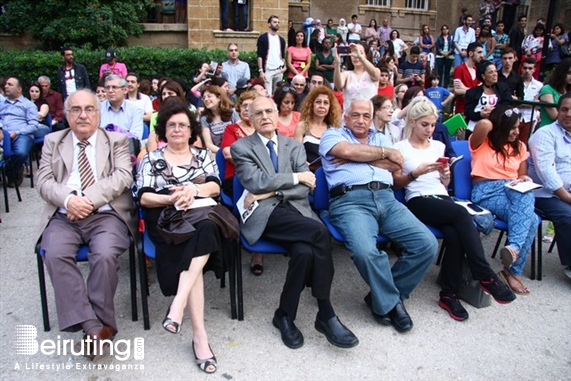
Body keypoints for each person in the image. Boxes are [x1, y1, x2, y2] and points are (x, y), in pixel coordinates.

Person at [231, 96, 359, 350]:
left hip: (297, 211)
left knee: (304, 252)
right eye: (259, 113)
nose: (265, 116)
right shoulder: (241, 147)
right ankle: (325, 311)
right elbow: (255, 183)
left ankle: (284, 315)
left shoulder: (293, 146)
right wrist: (293, 178)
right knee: (320, 231)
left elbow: (306, 187)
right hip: (267, 214)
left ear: (277, 113)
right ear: (251, 118)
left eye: (269, 110)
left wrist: (273, 189)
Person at [319, 98, 438, 333]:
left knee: (427, 244)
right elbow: (347, 150)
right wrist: (383, 154)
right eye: (356, 115)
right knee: (365, 252)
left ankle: (380, 297)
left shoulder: (382, 136)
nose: (361, 120)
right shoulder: (332, 135)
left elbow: (397, 166)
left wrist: (360, 156)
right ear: (346, 116)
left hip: (387, 199)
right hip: (350, 201)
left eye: (366, 115)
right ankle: (393, 304)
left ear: (372, 117)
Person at [392, 97, 515, 321]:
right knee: (461, 214)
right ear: (412, 122)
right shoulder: (400, 148)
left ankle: (448, 294)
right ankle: (484, 273)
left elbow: (444, 184)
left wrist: (445, 176)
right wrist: (416, 173)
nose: (429, 129)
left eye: (432, 124)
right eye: (424, 124)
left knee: (455, 234)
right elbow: (396, 184)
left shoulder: (438, 146)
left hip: (440, 196)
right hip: (418, 199)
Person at [36, 89, 136, 361]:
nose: (83, 115)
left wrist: (87, 201)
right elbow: (43, 181)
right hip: (63, 216)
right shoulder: (52, 141)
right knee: (54, 254)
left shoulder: (116, 140)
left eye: (89, 109)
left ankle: (94, 326)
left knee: (104, 255)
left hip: (106, 215)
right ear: (66, 114)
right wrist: (69, 200)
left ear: (98, 113)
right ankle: (96, 328)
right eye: (76, 109)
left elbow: (123, 176)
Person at [136, 98, 225, 373]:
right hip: (166, 219)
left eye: (183, 125)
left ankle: (178, 306)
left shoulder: (203, 156)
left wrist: (193, 191)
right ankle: (200, 338)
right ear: (163, 129)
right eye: (172, 125)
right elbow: (143, 197)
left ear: (191, 130)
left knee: (208, 228)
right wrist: (172, 198)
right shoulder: (150, 159)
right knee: (199, 242)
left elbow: (215, 186)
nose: (177, 130)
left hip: (199, 213)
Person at [469, 105, 540, 295]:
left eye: (519, 127)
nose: (517, 132)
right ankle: (513, 269)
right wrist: (497, 116)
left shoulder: (520, 147)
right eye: (513, 127)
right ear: (501, 126)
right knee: (530, 219)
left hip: (513, 190)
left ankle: (512, 255)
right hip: (487, 191)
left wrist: (525, 179)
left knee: (531, 214)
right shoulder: (483, 142)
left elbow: (522, 174)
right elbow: (483, 124)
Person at [528, 93, 571, 279]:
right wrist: (569, 198)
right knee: (568, 215)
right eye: (564, 109)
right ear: (557, 111)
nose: (568, 114)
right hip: (544, 195)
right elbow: (547, 175)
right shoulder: (544, 134)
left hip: (567, 192)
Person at [0, 76, 38, 186]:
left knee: (20, 153)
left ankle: (11, 171)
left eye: (10, 84)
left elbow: (33, 125)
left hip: (21, 134)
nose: (6, 86)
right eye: (6, 84)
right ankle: (14, 171)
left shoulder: (28, 105)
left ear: (19, 89)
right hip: (2, 133)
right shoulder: (1, 103)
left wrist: (17, 132)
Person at [294, 85, 341, 170]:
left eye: (326, 103)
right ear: (311, 104)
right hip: (307, 171)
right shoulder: (302, 126)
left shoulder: (334, 129)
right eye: (318, 102)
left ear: (330, 107)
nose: (322, 106)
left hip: (329, 172)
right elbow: (296, 155)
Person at [465, 60, 513, 134]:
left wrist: (495, 110)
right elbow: (468, 112)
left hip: (496, 128)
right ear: (483, 76)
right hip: (475, 128)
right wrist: (480, 114)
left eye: (495, 71)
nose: (495, 74)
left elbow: (508, 104)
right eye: (491, 72)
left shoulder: (503, 88)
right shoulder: (472, 92)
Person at [333, 43, 380, 111]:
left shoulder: (373, 72)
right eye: (353, 53)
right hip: (350, 116)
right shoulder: (346, 74)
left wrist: (360, 57)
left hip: (369, 115)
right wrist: (337, 63)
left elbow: (375, 75)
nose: (355, 56)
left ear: (366, 55)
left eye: (360, 52)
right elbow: (339, 85)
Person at [99, 75, 144, 140]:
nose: (110, 91)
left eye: (114, 87)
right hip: (102, 147)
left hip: (126, 148)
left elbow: (136, 138)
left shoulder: (135, 111)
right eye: (107, 87)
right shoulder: (97, 108)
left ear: (125, 90)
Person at [200, 85, 239, 153]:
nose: (206, 99)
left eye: (209, 96)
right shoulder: (204, 119)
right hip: (219, 154)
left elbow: (240, 133)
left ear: (219, 98)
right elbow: (208, 144)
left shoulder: (233, 112)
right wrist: (223, 152)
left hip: (238, 151)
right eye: (204, 98)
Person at [257, 15, 287, 96]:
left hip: (279, 70)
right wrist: (261, 71)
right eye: (274, 22)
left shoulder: (281, 40)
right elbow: (260, 55)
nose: (277, 24)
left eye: (278, 22)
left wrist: (285, 67)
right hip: (268, 71)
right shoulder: (263, 38)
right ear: (269, 24)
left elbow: (282, 55)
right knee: (268, 95)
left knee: (277, 94)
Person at [538, 58, 571, 128]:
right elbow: (554, 115)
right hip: (548, 129)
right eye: (569, 73)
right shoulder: (547, 89)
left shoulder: (569, 91)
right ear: (561, 73)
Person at [453, 42, 484, 116]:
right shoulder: (459, 69)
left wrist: (464, 88)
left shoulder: (479, 71)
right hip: (462, 109)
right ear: (470, 53)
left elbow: (481, 92)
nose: (482, 55)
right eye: (479, 52)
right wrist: (475, 91)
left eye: (482, 53)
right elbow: (457, 90)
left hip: (475, 110)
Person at [518, 58, 542, 144]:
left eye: (530, 68)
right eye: (525, 68)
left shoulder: (539, 85)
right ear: (521, 68)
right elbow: (512, 102)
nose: (527, 71)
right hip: (516, 116)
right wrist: (531, 103)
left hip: (530, 118)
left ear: (534, 69)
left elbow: (539, 105)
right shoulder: (515, 82)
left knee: (524, 144)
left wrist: (520, 102)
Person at [435, 24, 455, 89]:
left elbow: (453, 46)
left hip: (449, 56)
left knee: (447, 72)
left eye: (446, 29)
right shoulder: (439, 38)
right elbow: (437, 47)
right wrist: (443, 53)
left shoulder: (451, 38)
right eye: (443, 29)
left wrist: (448, 53)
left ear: (448, 30)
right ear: (441, 30)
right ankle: (439, 85)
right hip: (440, 56)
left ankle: (445, 86)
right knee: (440, 72)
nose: (445, 30)